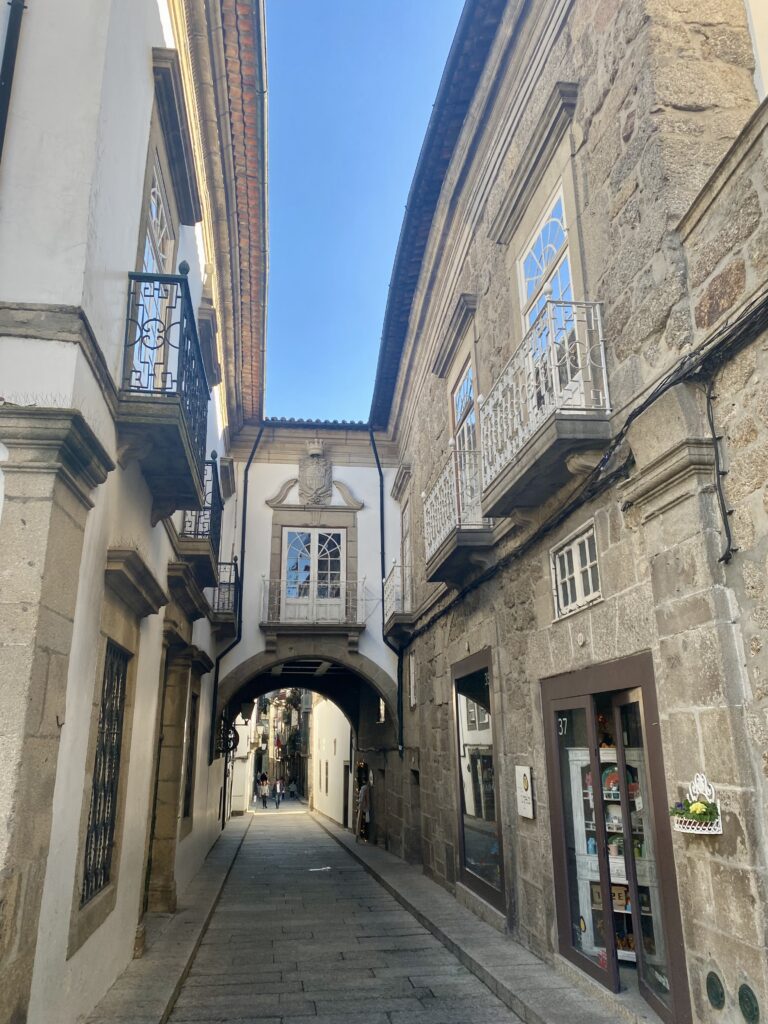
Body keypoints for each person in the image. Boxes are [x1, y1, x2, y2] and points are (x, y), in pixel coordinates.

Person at [355, 779, 370, 843]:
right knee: (364, 821)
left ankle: (358, 835)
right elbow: (366, 798)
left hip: (361, 806)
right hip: (364, 807)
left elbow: (360, 798)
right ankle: (363, 836)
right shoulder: (365, 789)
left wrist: (359, 802)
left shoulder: (362, 789)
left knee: (359, 821)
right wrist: (368, 806)